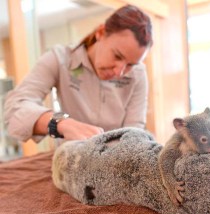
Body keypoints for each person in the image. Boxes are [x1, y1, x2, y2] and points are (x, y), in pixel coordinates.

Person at [4, 4, 153, 143]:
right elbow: (15, 109)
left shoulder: (138, 74)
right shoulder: (60, 59)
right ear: (100, 33)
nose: (119, 72)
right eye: (117, 56)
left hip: (115, 162)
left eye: (130, 65)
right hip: (72, 161)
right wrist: (61, 123)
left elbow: (134, 131)